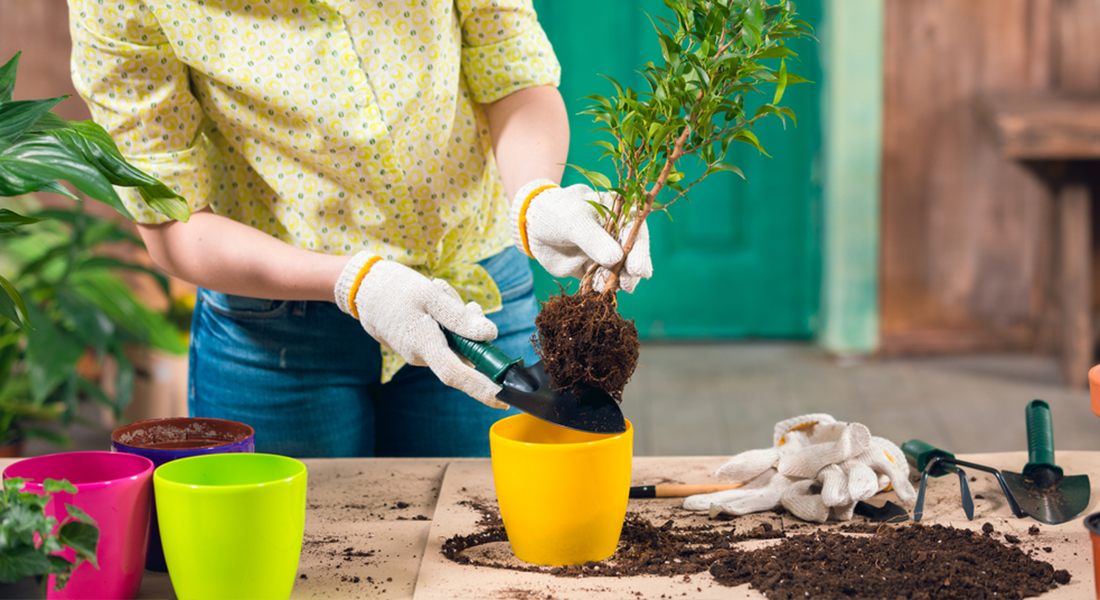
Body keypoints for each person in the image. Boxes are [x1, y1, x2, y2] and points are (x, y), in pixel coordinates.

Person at [67, 0, 651, 458]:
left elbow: (512, 71)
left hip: (474, 299)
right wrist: (354, 281)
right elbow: (172, 218)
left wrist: (534, 195)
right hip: (277, 340)